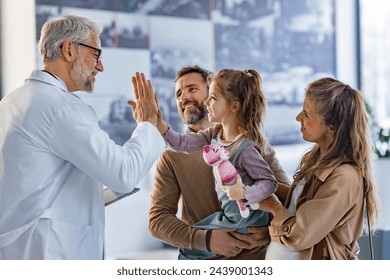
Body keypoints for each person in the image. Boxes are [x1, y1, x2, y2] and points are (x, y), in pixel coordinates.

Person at [0, 15, 165, 260]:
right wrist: (148, 124)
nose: (100, 66)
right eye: (96, 54)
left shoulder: (11, 101)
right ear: (69, 50)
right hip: (48, 254)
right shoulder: (60, 106)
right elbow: (123, 174)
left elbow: (38, 183)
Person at [224, 77, 380, 260]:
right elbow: (302, 207)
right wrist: (258, 187)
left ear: (331, 125)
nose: (298, 118)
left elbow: (301, 234)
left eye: (306, 114)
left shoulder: (345, 177)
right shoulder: (317, 159)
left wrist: (272, 205)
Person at [149, 66, 290, 260]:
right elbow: (157, 221)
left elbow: (287, 198)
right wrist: (205, 239)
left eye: (192, 89)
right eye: (179, 94)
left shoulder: (251, 144)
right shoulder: (171, 157)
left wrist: (269, 232)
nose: (184, 97)